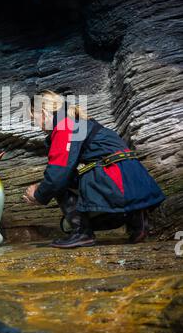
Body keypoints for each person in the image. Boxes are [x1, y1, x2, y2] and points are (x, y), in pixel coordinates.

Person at [23, 90, 165, 248]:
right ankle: (136, 220)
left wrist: (38, 194)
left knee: (61, 182)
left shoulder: (65, 126)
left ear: (43, 113)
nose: (37, 125)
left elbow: (58, 174)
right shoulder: (81, 122)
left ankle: (82, 233)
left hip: (115, 183)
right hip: (136, 184)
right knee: (73, 175)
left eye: (33, 119)